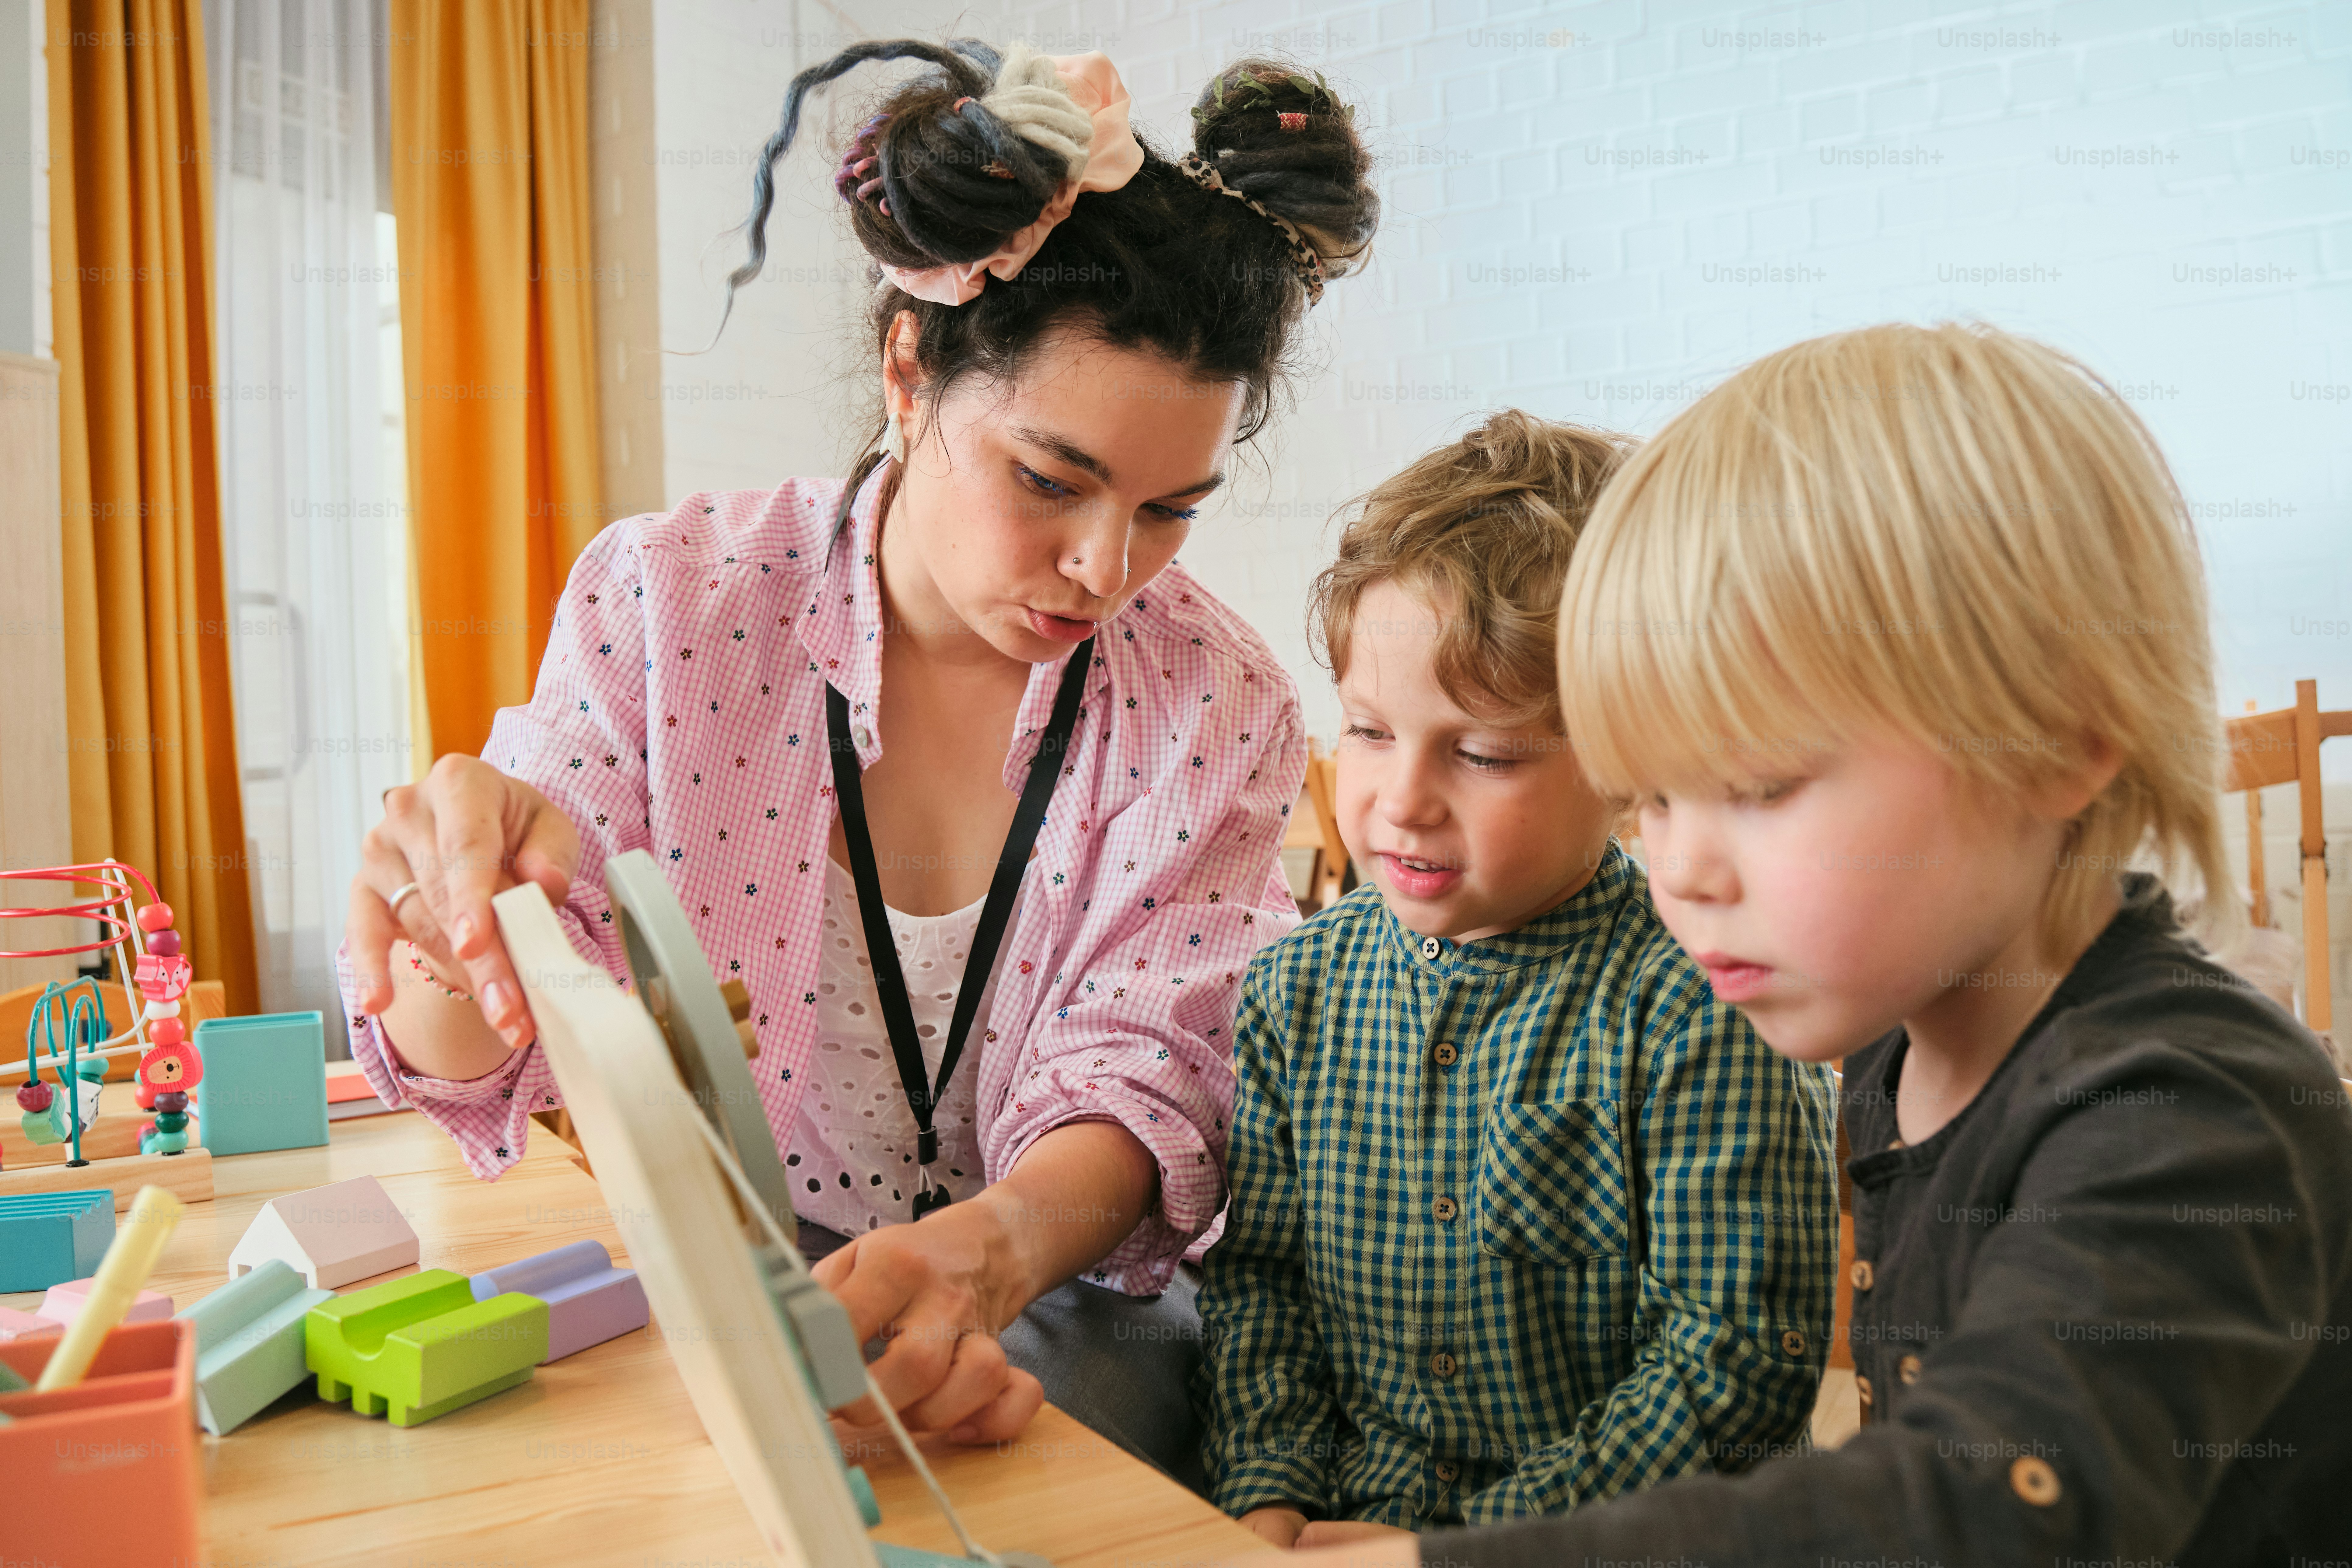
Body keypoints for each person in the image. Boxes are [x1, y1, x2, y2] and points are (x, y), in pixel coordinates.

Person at [336, 37, 1381, 1486]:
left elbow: (1151, 1065)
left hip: (1063, 1294)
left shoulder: (1215, 696)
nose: (1103, 568)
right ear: (910, 368)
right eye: (1050, 480)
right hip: (733, 1273)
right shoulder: (675, 601)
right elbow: (503, 1007)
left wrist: (992, 1254)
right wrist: (455, 937)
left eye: (1171, 511)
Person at [1258, 323, 2352, 1567]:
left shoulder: (2191, 1109)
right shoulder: (1908, 1047)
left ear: (2053, 742)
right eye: (1652, 797)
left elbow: (1991, 1504)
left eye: (1761, 786)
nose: (1680, 871)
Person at [1195, 411, 1841, 1549]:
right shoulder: (1293, 992)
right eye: (1370, 732)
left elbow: (1736, 1364)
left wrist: (1459, 1549)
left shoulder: (1704, 1003)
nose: (1402, 798)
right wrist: (1270, 1500)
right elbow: (1263, 1288)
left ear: (1628, 756)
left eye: (1482, 753)